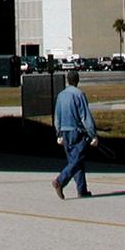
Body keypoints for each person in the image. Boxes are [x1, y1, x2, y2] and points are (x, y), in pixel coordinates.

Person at [51, 70, 98, 199]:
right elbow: (85, 117)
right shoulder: (79, 94)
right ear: (77, 80)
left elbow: (57, 117)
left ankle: (82, 190)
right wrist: (93, 134)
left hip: (64, 132)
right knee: (77, 159)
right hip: (76, 132)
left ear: (67, 80)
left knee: (76, 161)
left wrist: (58, 133)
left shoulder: (61, 95)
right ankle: (60, 181)